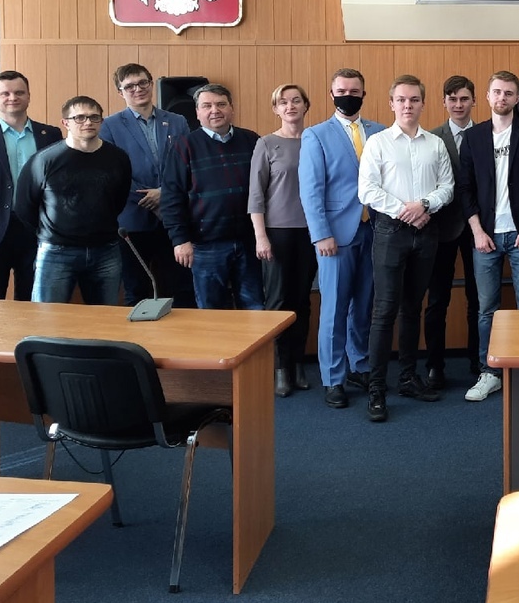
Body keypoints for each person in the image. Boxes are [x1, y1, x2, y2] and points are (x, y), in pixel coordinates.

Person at [357, 75, 454, 422]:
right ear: (391, 104)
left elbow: (447, 187)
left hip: (426, 233)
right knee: (384, 311)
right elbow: (367, 190)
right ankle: (377, 390)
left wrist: (424, 204)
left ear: (423, 103)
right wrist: (405, 210)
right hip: (390, 233)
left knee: (413, 308)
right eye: (401, 99)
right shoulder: (378, 143)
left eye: (414, 99)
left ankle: (408, 378)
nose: (407, 105)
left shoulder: (435, 144)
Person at [459, 71, 519, 402]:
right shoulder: (473, 137)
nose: (502, 98)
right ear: (487, 96)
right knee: (487, 308)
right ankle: (490, 372)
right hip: (485, 236)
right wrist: (476, 231)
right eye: (497, 92)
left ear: (517, 99)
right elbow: (465, 188)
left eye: (508, 93)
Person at [299, 68, 385, 409]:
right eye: (341, 91)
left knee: (364, 305)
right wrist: (321, 234)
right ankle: (333, 377)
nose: (348, 95)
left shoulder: (380, 131)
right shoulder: (315, 135)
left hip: (374, 231)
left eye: (354, 91)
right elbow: (311, 191)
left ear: (364, 94)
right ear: (331, 94)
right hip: (335, 236)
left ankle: (359, 365)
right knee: (334, 309)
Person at [14, 96, 131, 305]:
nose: (88, 122)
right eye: (80, 117)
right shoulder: (44, 160)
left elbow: (119, 200)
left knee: (105, 320)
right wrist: (54, 231)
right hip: (56, 252)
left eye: (94, 117)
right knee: (46, 319)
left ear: (102, 121)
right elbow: (24, 207)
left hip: (106, 250)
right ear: (65, 123)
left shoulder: (118, 158)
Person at [160, 84, 264, 311]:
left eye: (221, 104)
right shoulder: (184, 146)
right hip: (205, 245)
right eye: (207, 106)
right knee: (212, 312)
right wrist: (180, 240)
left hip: (250, 242)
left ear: (232, 108)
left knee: (255, 308)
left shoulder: (252, 140)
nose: (214, 110)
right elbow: (172, 198)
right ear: (197, 112)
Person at [0, 71, 60, 301]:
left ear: (28, 96)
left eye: (19, 92)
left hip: (38, 231)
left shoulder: (50, 135)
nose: (12, 98)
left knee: (33, 304)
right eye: (5, 93)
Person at [100, 63, 194, 308]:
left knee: (181, 290)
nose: (138, 89)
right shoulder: (109, 125)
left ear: (152, 84)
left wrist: (164, 193)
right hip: (132, 220)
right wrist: (146, 197)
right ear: (120, 92)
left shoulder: (177, 121)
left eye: (143, 83)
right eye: (129, 86)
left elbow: (186, 164)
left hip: (174, 219)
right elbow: (112, 171)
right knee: (137, 290)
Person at [249, 84, 317, 398]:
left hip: (311, 232)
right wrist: (260, 236)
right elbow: (256, 195)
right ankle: (280, 367)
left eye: (296, 101)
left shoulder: (315, 141)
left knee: (302, 301)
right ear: (276, 109)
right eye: (283, 102)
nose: (290, 106)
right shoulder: (266, 143)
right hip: (276, 233)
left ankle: (298, 363)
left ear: (306, 106)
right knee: (277, 302)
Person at [425, 75, 480, 388]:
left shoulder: (487, 135)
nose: (458, 105)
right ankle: (435, 365)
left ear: (474, 101)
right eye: (453, 99)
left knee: (478, 298)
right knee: (437, 300)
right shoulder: (432, 138)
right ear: (444, 102)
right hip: (441, 228)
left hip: (478, 229)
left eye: (464, 99)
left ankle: (477, 360)